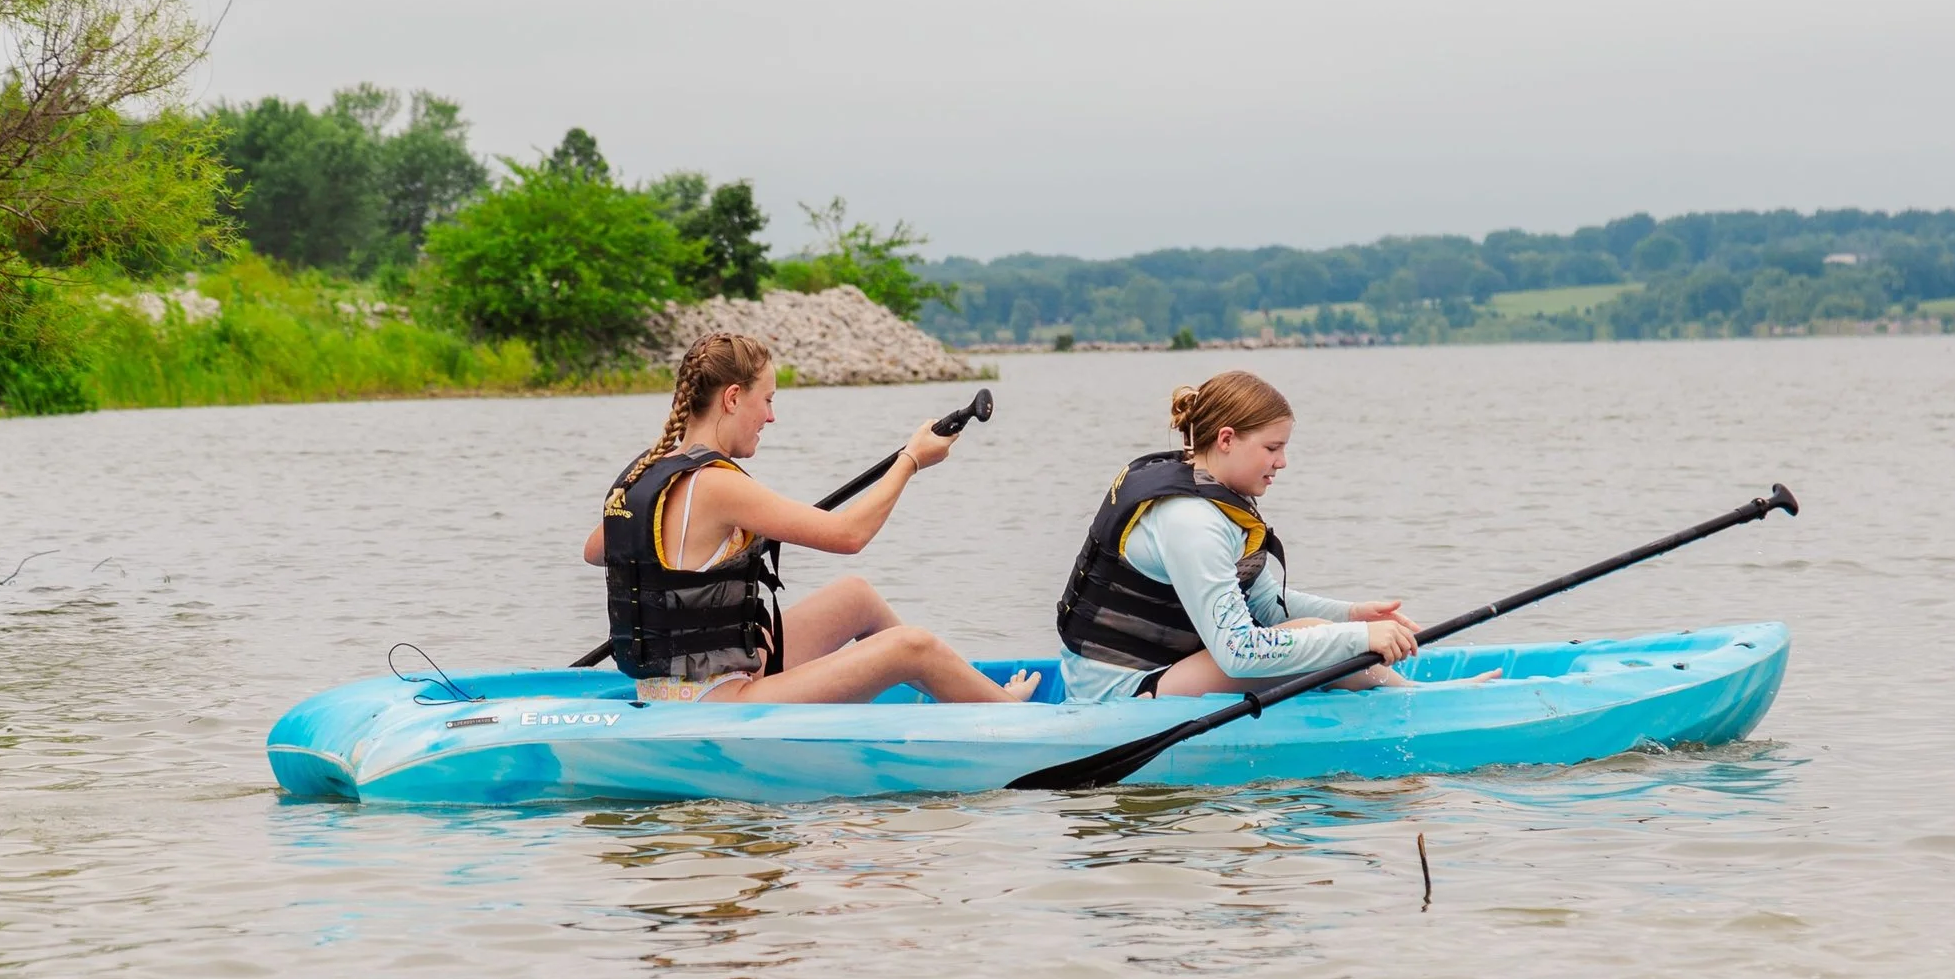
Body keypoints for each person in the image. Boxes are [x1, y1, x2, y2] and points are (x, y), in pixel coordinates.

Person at [586, 331, 1037, 705]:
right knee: (910, 646)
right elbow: (849, 535)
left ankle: (962, 694)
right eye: (766, 400)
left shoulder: (647, 473)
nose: (771, 416)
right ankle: (1009, 714)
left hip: (665, 686)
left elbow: (596, 551)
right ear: (731, 398)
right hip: (717, 702)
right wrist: (911, 461)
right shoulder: (716, 484)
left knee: (855, 597)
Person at [1054, 369, 1488, 701]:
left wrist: (1352, 615)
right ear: (1226, 439)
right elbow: (1239, 650)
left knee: (1321, 636)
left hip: (1161, 669)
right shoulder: (1190, 521)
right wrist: (1353, 639)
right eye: (1272, 448)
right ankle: (1421, 701)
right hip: (1115, 693)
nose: (1282, 462)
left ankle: (1411, 695)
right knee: (1326, 645)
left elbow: (1263, 605)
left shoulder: (1213, 494)